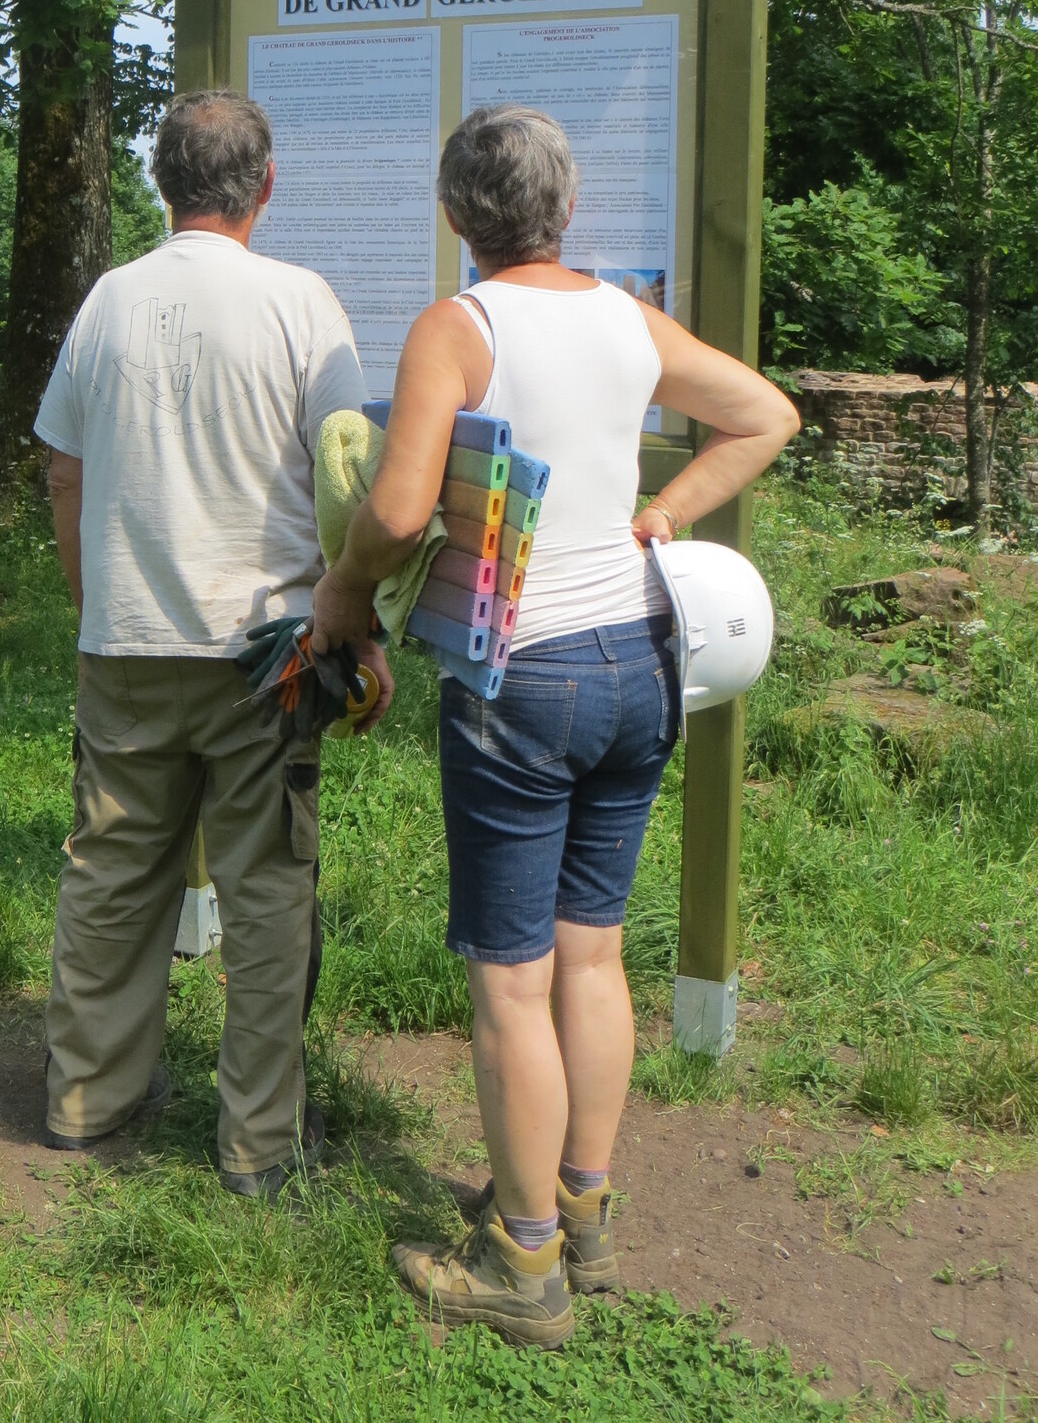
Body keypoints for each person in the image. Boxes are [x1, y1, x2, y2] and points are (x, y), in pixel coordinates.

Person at [312, 105, 798, 1345]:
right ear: (567, 207)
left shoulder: (459, 327)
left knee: (511, 979)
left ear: (454, 214)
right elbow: (766, 412)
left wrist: (344, 587)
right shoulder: (627, 319)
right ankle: (582, 1205)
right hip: (642, 660)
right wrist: (665, 512)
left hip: (523, 676)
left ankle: (522, 1261)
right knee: (592, 955)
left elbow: (401, 510)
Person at [35, 88, 393, 1197]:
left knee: (110, 872)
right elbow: (349, 477)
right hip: (268, 652)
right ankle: (257, 1145)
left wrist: (96, 604)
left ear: (161, 184)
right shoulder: (301, 302)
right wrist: (364, 630)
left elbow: (63, 470)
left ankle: (85, 1101)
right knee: (268, 892)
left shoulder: (107, 299)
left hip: (126, 642)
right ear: (265, 185)